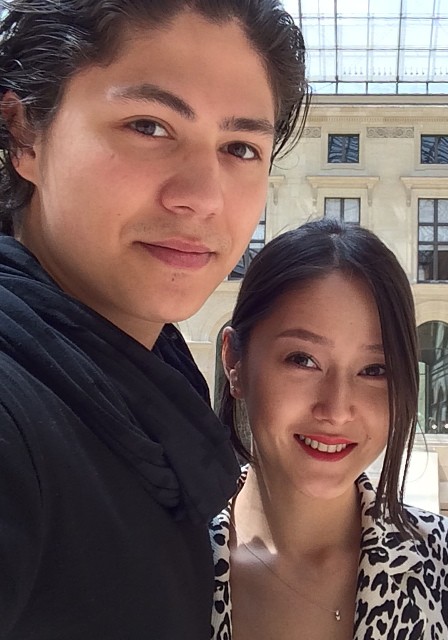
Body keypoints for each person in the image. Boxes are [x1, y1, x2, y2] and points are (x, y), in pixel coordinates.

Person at [0, 1, 307, 638]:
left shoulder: (150, 383)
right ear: (24, 133)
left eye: (241, 147)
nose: (202, 197)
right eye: (149, 125)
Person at [211, 219, 448, 640]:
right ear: (234, 363)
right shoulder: (157, 567)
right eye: (303, 360)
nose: (336, 409)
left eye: (374, 369)